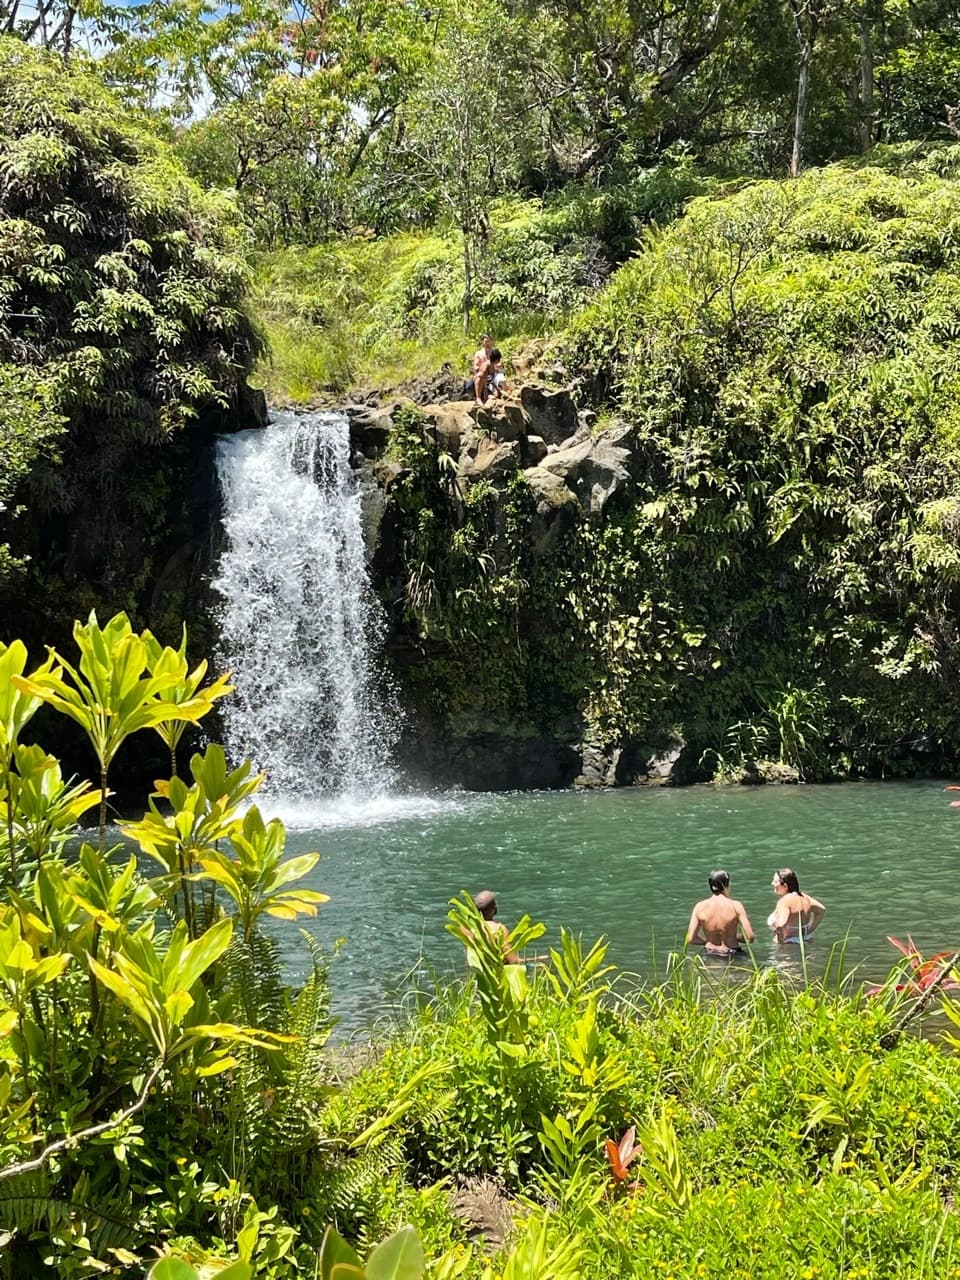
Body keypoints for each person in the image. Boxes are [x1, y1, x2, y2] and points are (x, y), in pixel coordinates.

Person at [685, 869, 755, 958]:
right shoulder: (736, 906)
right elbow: (750, 937)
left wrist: (708, 941)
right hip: (732, 953)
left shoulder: (699, 907)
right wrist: (733, 937)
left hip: (709, 953)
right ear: (726, 885)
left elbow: (691, 938)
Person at [767, 867, 825, 943]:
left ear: (785, 886)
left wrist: (779, 942)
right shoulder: (803, 897)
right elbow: (821, 910)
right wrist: (808, 931)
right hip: (806, 940)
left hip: (788, 946)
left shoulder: (784, 902)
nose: (772, 883)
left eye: (775, 881)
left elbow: (780, 926)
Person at [472, 889, 521, 964]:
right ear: (494, 908)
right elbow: (513, 961)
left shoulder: (467, 928)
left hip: (478, 972)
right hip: (495, 972)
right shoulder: (499, 929)